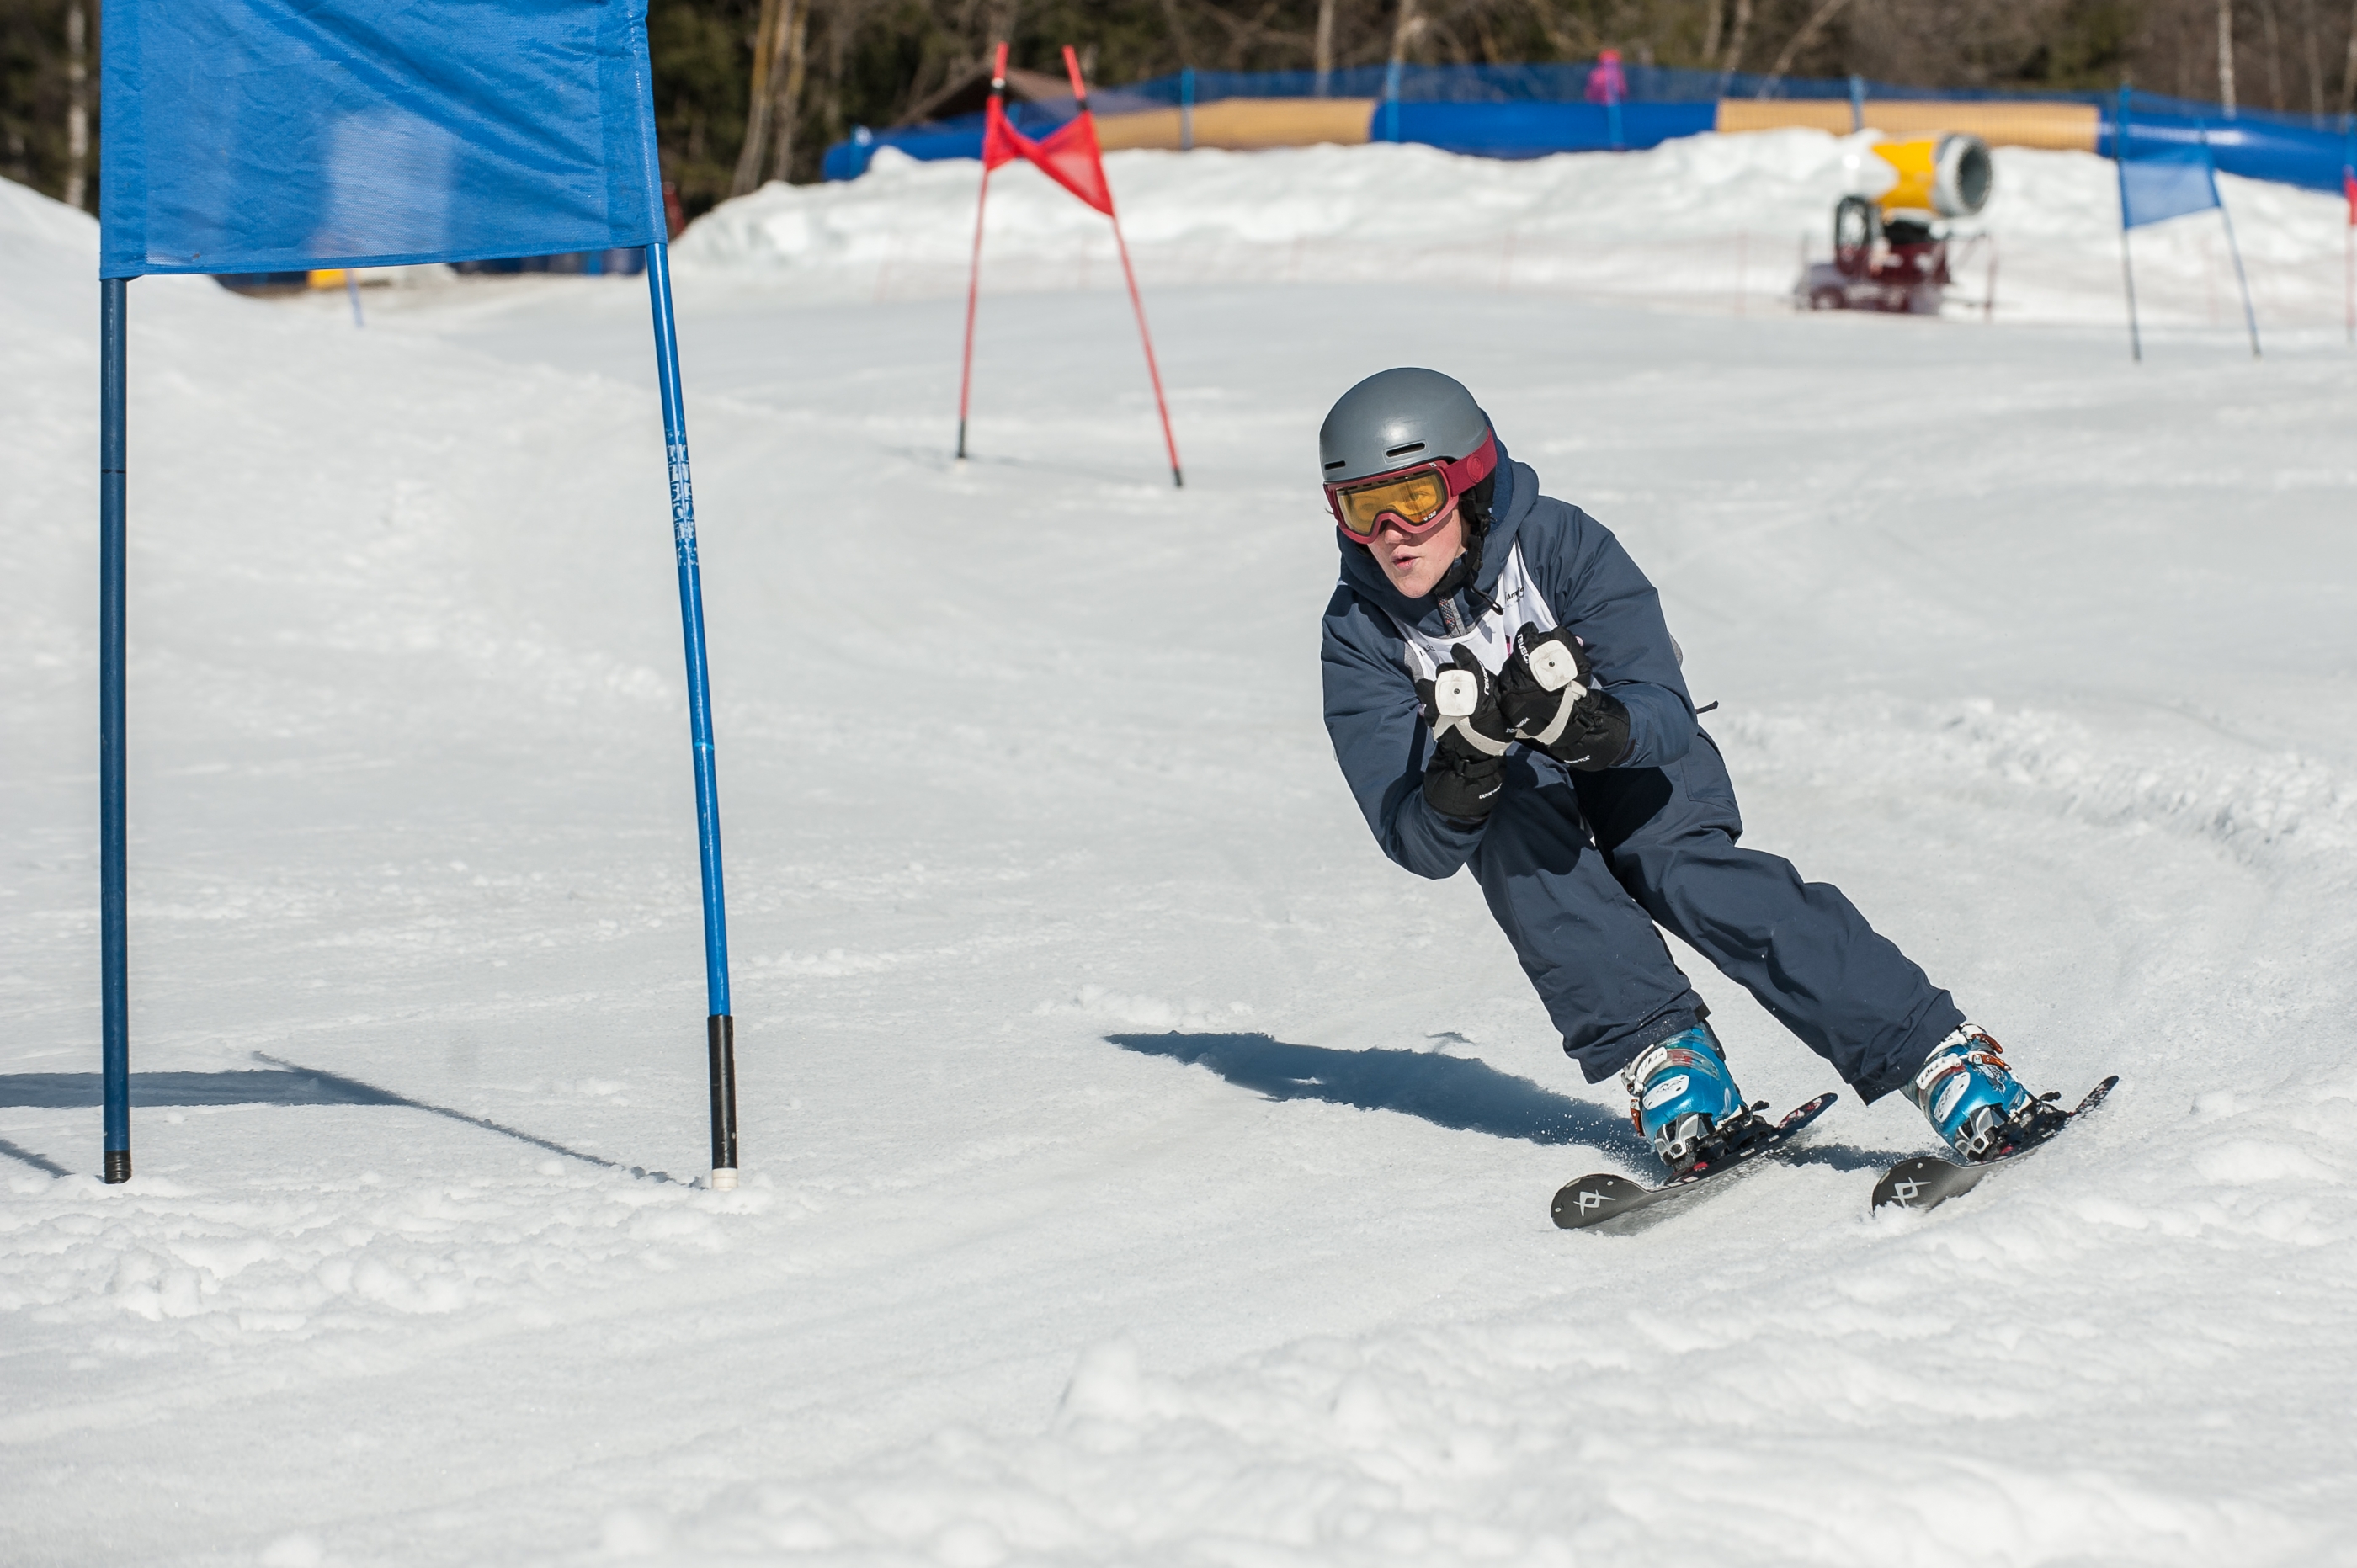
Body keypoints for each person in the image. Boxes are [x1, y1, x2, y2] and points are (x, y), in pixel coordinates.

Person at [1316, 367, 2051, 1177]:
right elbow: (1416, 841)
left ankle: (1940, 1057)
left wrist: (1586, 723)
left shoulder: (1559, 546)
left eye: (1415, 498)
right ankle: (1675, 1067)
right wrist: (1459, 778)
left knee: (1688, 872)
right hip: (1523, 809)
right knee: (1515, 839)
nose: (1391, 532)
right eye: (1361, 507)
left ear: (1470, 481)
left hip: (1639, 765)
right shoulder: (1361, 633)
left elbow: (1664, 711)